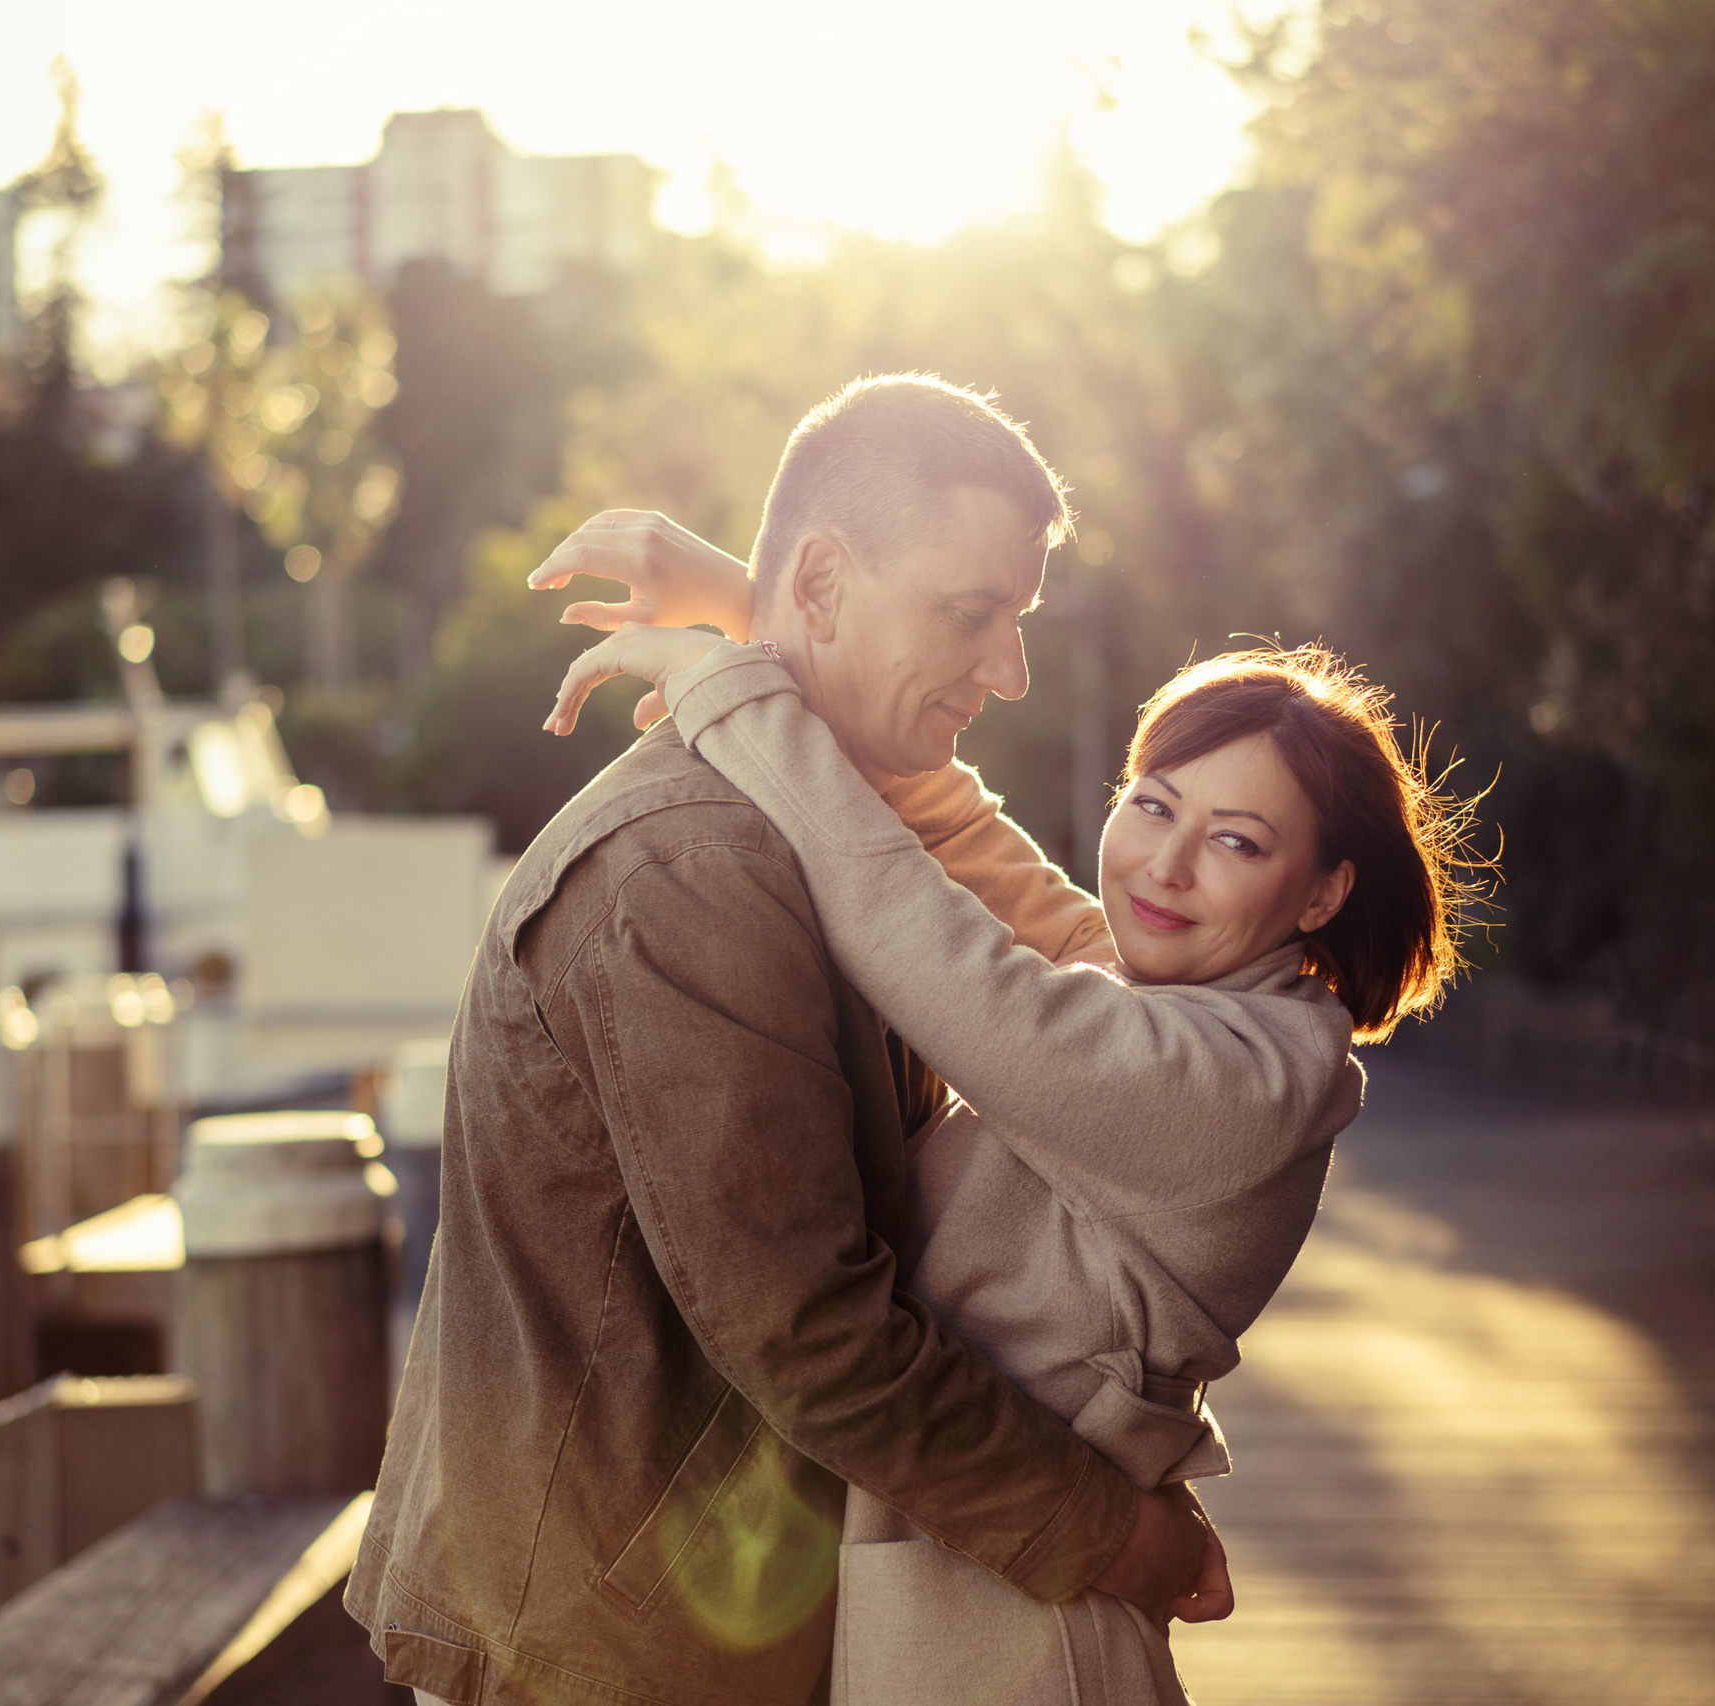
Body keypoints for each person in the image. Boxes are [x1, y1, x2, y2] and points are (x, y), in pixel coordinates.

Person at [344, 375, 1221, 1706]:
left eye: (1018, 621)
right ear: (823, 584)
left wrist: (758, 626)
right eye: (970, 617)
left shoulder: (819, 815)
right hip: (608, 1650)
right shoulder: (693, 868)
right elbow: (813, 1330)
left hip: (697, 1621)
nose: (1011, 671)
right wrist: (1114, 1532)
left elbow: (1093, 996)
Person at [536, 543, 1475, 1703]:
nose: (1165, 864)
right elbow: (961, 843)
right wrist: (770, 610)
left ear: (1322, 893)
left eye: (1236, 840)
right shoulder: (1174, 1004)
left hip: (1023, 1636)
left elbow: (923, 933)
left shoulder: (1235, 1076)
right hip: (977, 1590)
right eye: (1152, 803)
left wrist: (726, 687)